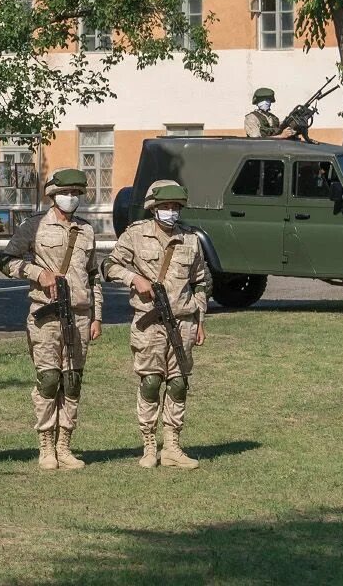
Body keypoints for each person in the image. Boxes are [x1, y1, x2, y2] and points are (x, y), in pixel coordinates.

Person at [0, 168, 101, 470]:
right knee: (50, 378)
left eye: (76, 193)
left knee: (72, 380)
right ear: (53, 195)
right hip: (46, 315)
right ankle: (45, 445)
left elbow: (93, 276)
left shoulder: (87, 230)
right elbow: (6, 261)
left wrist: (97, 317)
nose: (71, 198)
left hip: (79, 315)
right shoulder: (34, 226)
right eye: (66, 193)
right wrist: (37, 273)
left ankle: (65, 446)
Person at [103, 179, 208, 470]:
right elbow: (108, 266)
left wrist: (200, 319)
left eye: (175, 207)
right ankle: (149, 444)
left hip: (183, 322)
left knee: (178, 383)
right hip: (149, 324)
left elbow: (200, 282)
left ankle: (173, 445)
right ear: (153, 208)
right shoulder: (135, 235)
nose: (171, 212)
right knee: (151, 381)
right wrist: (134, 278)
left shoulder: (191, 239)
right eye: (165, 207)